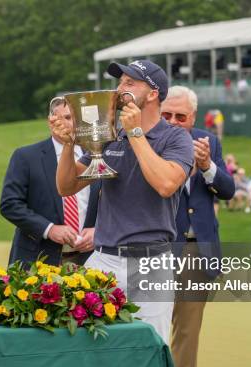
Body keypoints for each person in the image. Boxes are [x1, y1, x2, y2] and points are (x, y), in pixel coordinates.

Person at [55, 60, 194, 343]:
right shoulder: (108, 134)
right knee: (91, 347)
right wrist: (68, 145)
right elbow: (67, 186)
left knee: (150, 349)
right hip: (103, 258)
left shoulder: (175, 137)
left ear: (153, 93)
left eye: (130, 83)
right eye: (120, 82)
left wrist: (135, 133)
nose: (120, 89)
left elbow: (166, 184)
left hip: (150, 263)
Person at [161, 86, 235, 367]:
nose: (173, 122)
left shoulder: (209, 141)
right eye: (167, 115)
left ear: (193, 116)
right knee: (150, 326)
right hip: (156, 248)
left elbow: (228, 190)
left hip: (196, 250)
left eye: (181, 116)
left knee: (187, 334)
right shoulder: (148, 141)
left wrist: (207, 166)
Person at [0, 97, 99, 266]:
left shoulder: (98, 156)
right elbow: (10, 204)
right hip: (38, 258)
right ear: (51, 121)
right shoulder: (26, 157)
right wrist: (49, 229)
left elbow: (112, 203)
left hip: (89, 260)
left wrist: (99, 231)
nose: (73, 123)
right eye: (67, 117)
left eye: (78, 118)